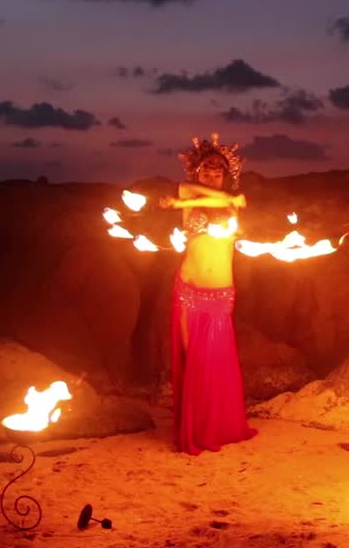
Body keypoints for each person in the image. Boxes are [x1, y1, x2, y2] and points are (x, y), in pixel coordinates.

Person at [157, 133, 258, 455]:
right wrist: (185, 203)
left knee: (215, 362)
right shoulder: (188, 192)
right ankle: (195, 431)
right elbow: (192, 194)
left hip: (221, 293)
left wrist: (225, 200)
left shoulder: (232, 202)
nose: (211, 174)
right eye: (205, 170)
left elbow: (227, 204)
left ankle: (218, 427)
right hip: (189, 289)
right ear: (195, 173)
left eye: (218, 171)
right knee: (194, 363)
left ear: (227, 174)